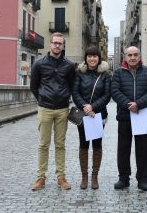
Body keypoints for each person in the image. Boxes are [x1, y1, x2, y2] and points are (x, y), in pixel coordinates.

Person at [30, 32, 75, 191]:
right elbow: (33, 86)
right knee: (43, 144)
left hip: (63, 109)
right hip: (45, 108)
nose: (57, 46)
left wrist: (64, 98)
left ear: (63, 46)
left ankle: (61, 177)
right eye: (55, 43)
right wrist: (43, 98)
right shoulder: (39, 64)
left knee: (60, 144)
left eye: (60, 43)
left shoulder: (69, 65)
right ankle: (41, 177)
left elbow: (72, 86)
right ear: (50, 44)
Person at [111, 46, 147, 191]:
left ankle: (143, 179)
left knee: (143, 150)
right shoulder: (118, 73)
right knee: (123, 149)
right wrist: (128, 104)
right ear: (125, 57)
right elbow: (115, 91)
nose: (132, 57)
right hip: (124, 116)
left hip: (142, 114)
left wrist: (139, 104)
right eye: (129, 55)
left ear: (139, 56)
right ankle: (123, 178)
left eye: (135, 55)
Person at [72, 46, 111, 190]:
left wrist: (93, 107)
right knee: (83, 145)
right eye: (89, 56)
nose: (92, 59)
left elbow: (107, 95)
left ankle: (94, 176)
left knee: (97, 145)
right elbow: (75, 93)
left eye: (95, 56)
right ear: (86, 58)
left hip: (98, 115)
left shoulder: (105, 75)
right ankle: (84, 176)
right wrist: (85, 106)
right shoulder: (79, 73)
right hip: (82, 115)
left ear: (99, 58)